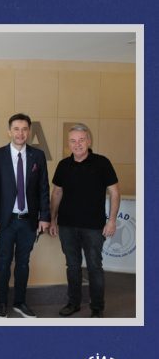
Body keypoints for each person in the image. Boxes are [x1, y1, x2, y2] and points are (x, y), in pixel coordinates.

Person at [49, 123, 120, 318]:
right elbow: (56, 193)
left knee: (94, 267)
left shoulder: (102, 163)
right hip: (67, 226)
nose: (77, 144)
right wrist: (53, 219)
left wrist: (112, 221)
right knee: (72, 266)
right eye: (73, 141)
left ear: (89, 141)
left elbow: (114, 192)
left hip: (94, 227)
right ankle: (73, 303)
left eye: (81, 140)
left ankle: (97, 308)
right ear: (68, 144)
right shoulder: (63, 165)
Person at [0, 113, 50, 318]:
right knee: (4, 262)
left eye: (24, 129)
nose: (20, 133)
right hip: (5, 221)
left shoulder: (37, 156)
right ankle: (1, 303)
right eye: (16, 129)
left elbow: (43, 188)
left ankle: (20, 302)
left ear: (29, 132)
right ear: (9, 131)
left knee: (23, 263)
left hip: (28, 221)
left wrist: (45, 217)